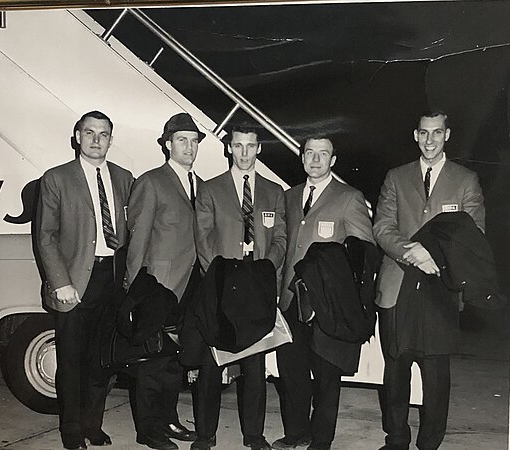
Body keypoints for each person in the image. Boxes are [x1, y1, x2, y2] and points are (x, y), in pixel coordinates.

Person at [373, 111, 485, 450]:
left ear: (447, 135)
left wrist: (433, 254)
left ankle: (429, 443)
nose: (430, 140)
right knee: (395, 370)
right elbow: (382, 227)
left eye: (437, 133)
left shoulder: (465, 180)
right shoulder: (397, 177)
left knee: (436, 375)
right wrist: (411, 252)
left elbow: (474, 233)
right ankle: (396, 439)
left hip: (440, 288)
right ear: (415, 135)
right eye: (424, 133)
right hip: (397, 286)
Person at [36, 111, 134, 450]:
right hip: (74, 282)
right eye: (89, 133)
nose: (96, 140)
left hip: (112, 280)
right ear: (77, 136)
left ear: (110, 139)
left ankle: (94, 424)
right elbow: (45, 236)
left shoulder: (124, 178)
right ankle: (72, 431)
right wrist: (60, 282)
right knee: (73, 361)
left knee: (101, 361)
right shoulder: (57, 178)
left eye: (103, 134)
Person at [273, 136, 374, 450]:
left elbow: (364, 253)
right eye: (310, 153)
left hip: (327, 305)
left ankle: (321, 439)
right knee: (292, 373)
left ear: (333, 160)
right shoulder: (287, 197)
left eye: (323, 154)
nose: (315, 160)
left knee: (327, 376)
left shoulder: (349, 197)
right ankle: (296, 432)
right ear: (302, 158)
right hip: (291, 299)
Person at [191, 124, 286, 450]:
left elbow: (280, 240)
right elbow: (203, 239)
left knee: (254, 367)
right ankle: (205, 435)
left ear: (259, 149)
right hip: (222, 286)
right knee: (211, 365)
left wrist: (264, 273)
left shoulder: (274, 192)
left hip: (256, 287)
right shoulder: (211, 189)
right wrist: (218, 280)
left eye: (251, 146)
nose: (244, 152)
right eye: (238, 145)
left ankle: (254, 436)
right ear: (229, 148)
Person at [124, 112, 203, 450]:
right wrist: (132, 288)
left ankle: (168, 418)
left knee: (174, 360)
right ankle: (148, 429)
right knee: (151, 363)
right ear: (167, 144)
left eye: (194, 140)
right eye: (182, 140)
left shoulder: (200, 183)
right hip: (159, 286)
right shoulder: (151, 181)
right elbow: (138, 237)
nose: (189, 147)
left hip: (190, 286)